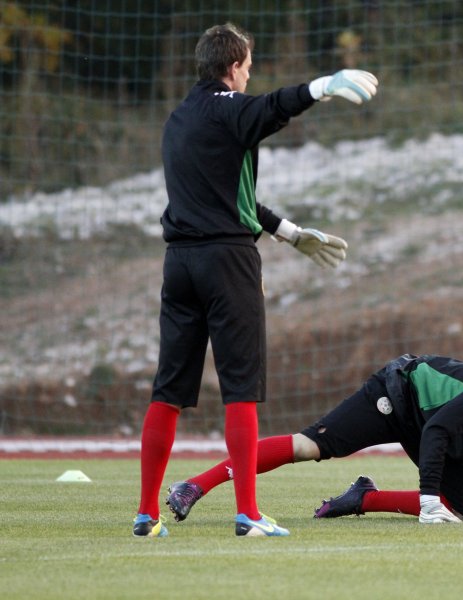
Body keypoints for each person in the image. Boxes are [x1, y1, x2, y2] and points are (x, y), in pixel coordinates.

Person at [133, 22, 379, 538]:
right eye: (247, 65)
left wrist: (289, 232)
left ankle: (146, 514)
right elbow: (271, 108)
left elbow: (230, 197)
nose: (250, 74)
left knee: (168, 391)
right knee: (241, 388)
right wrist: (321, 86)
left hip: (179, 265)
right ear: (234, 66)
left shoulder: (179, 119)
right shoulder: (230, 107)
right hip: (227, 263)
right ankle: (247, 514)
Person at [164, 354, 463, 525]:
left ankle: (363, 498)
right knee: (308, 446)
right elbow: (439, 429)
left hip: (436, 432)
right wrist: (426, 498)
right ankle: (194, 486)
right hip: (399, 396)